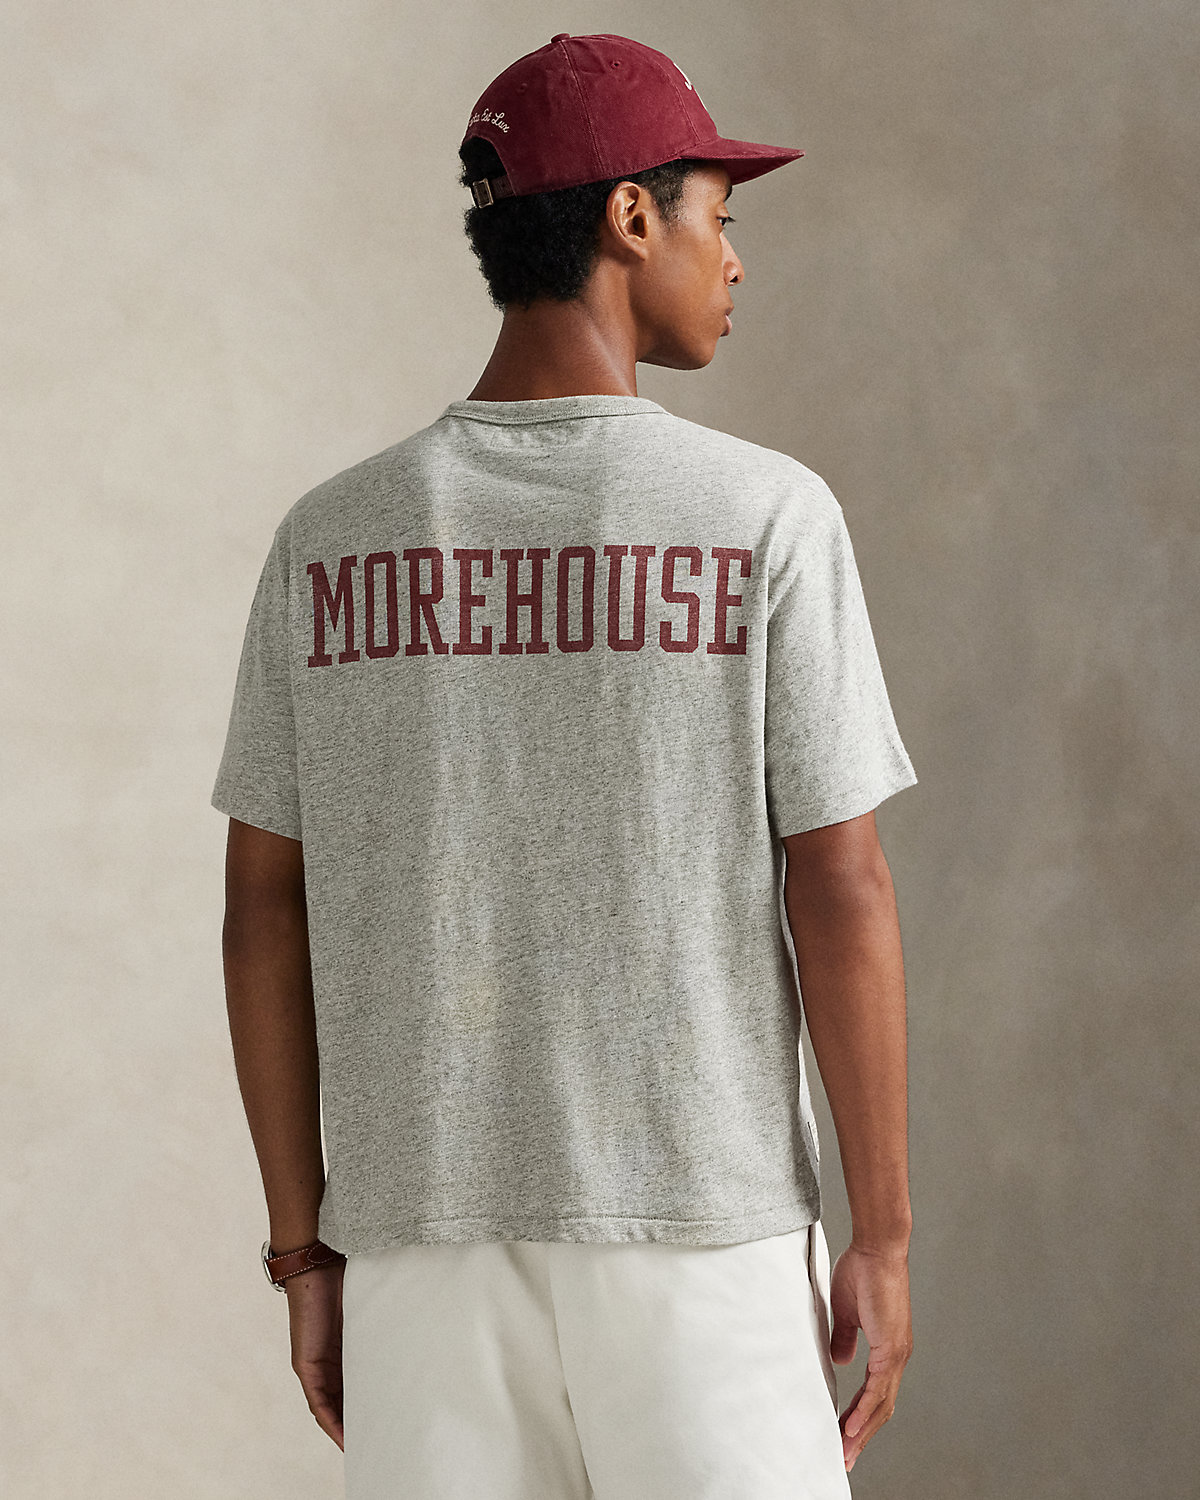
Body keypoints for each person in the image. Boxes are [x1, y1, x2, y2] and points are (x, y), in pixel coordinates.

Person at [213, 31, 918, 1500]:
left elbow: (262, 909)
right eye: (721, 214)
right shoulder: (765, 518)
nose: (735, 259)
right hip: (704, 1232)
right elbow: (841, 887)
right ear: (631, 215)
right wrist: (887, 1233)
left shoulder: (329, 544)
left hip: (421, 1244)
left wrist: (303, 1252)